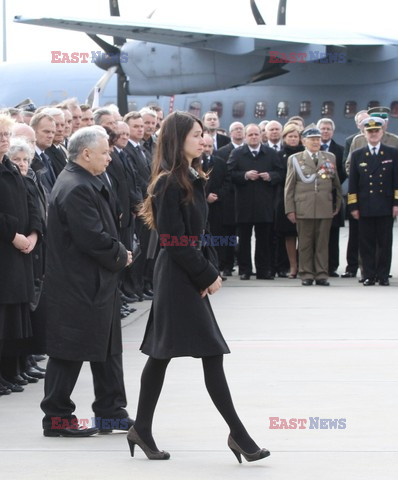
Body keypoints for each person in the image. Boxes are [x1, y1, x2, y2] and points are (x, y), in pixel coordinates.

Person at [127, 111, 269, 463]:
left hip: (185, 274)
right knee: (206, 353)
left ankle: (141, 429)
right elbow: (174, 240)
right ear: (178, 140)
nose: (203, 138)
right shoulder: (168, 182)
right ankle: (239, 435)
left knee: (163, 355)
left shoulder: (191, 176)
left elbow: (199, 234)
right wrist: (207, 274)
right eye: (195, 134)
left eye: (204, 133)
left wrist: (211, 269)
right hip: (177, 277)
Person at [40, 126, 134, 437]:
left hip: (94, 282)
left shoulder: (83, 180)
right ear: (86, 154)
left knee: (107, 350)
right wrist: (121, 254)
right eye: (105, 152)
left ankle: (111, 411)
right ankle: (57, 417)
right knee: (70, 350)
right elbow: (92, 238)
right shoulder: (77, 186)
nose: (110, 157)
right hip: (78, 285)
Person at [0, 114, 42, 395]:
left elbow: (31, 202)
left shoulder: (10, 167)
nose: (4, 140)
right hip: (5, 249)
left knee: (15, 317)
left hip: (19, 251)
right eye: (0, 136)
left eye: (6, 135)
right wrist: (12, 235)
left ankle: (11, 370)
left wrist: (33, 234)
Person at [284, 124, 342, 286]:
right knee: (305, 243)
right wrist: (290, 209)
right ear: (304, 141)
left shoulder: (329, 157)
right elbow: (289, 187)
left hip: (324, 207)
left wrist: (337, 205)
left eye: (317, 139)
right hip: (304, 208)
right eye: (312, 139)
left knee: (323, 243)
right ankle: (307, 274)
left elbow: (335, 183)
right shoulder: (295, 159)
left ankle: (322, 274)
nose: (316, 142)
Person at [348, 117, 398, 286]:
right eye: (370, 131)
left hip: (385, 205)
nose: (373, 134)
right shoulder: (357, 155)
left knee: (385, 243)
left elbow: (396, 180)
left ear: (382, 132)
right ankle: (369, 274)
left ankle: (383, 275)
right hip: (365, 205)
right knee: (366, 243)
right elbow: (353, 183)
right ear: (364, 133)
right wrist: (353, 206)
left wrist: (396, 203)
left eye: (376, 131)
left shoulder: (393, 153)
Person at [275, 123, 303, 278]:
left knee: (305, 234)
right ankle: (293, 266)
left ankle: (303, 265)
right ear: (284, 138)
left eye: (295, 136)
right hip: (285, 197)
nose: (293, 139)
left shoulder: (305, 152)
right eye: (290, 136)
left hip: (304, 197)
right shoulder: (279, 155)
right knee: (289, 235)